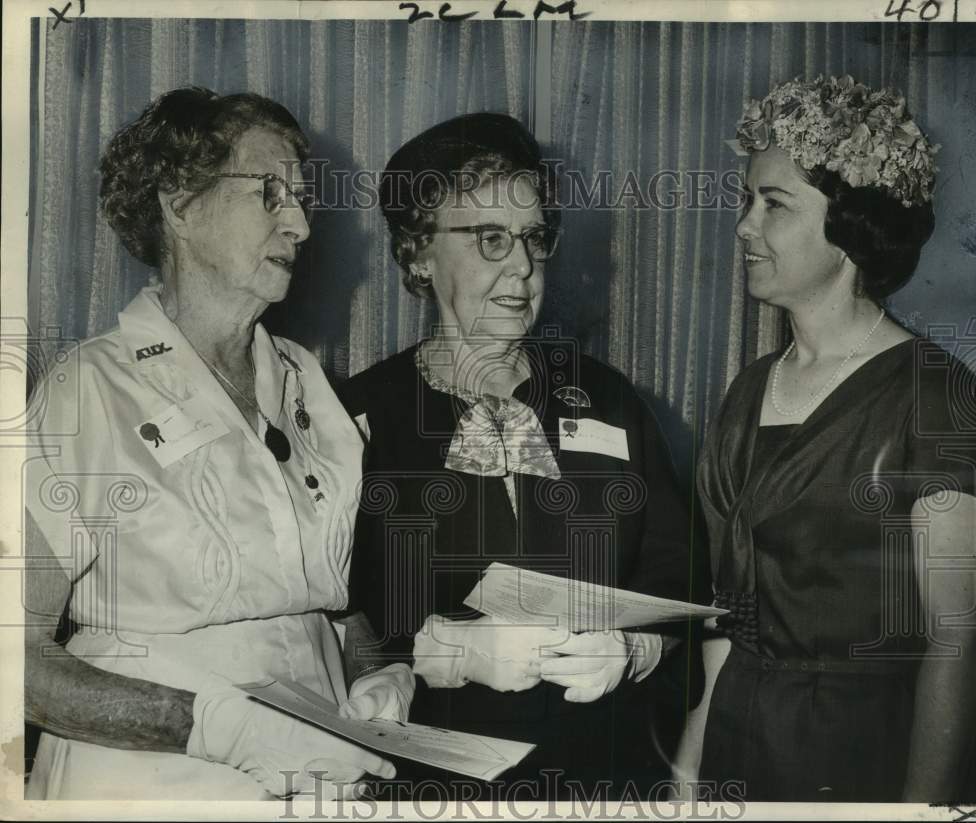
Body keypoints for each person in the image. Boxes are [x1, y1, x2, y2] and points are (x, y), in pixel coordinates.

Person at [23, 87, 414, 800]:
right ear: (180, 205)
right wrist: (213, 726)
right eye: (269, 192)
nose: (297, 221)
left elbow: (325, 594)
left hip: (317, 774)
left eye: (300, 197)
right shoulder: (91, 388)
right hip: (149, 784)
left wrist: (373, 672)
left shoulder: (304, 381)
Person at [338, 112, 710, 798]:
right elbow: (334, 611)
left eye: (535, 237)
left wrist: (637, 650)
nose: (523, 266)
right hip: (434, 788)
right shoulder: (358, 418)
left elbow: (683, 576)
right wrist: (429, 656)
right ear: (418, 251)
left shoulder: (608, 397)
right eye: (490, 239)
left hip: (605, 781)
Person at [684, 75, 976, 802]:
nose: (745, 227)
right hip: (735, 745)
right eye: (747, 201)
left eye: (774, 204)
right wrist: (687, 772)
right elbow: (729, 625)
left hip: (857, 760)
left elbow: (957, 644)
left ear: (848, 227)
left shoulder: (933, 395)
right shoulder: (748, 390)